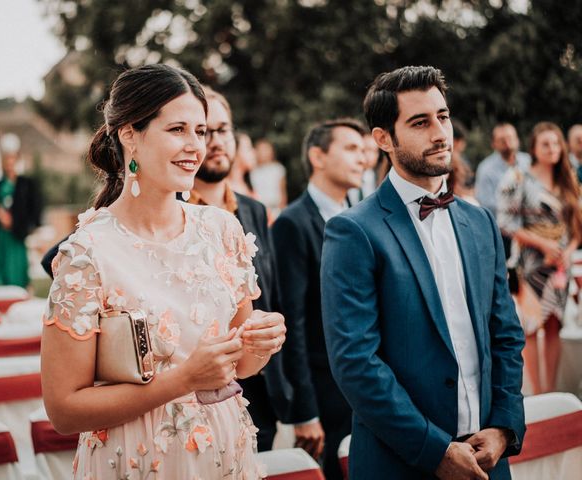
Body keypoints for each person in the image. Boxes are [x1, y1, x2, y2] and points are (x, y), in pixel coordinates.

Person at [41, 64, 286, 480]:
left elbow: (242, 365)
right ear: (130, 134)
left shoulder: (223, 229)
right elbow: (64, 410)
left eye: (201, 131)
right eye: (177, 130)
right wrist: (182, 381)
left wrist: (261, 343)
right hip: (134, 461)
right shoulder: (87, 253)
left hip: (226, 453)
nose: (195, 146)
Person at [321, 66, 525, 480]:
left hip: (489, 458)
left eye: (443, 116)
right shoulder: (353, 231)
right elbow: (356, 362)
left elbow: (505, 333)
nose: (439, 132)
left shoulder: (481, 221)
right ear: (383, 139)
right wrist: (434, 451)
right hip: (400, 463)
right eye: (420, 122)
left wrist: (505, 426)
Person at [187, 86, 294, 451]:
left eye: (223, 129)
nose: (216, 141)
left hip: (261, 395)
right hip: (195, 398)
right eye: (204, 131)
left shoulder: (253, 210)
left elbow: (273, 297)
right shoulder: (163, 213)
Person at [272, 118, 366, 480]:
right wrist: (305, 411)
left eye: (363, 151)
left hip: (365, 382)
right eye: (350, 149)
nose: (362, 159)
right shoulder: (292, 224)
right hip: (323, 388)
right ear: (318, 156)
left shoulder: (361, 218)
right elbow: (291, 321)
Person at [497, 122, 582, 394]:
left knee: (555, 324)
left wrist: (566, 253)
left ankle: (553, 389)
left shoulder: (567, 180)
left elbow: (577, 229)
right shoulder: (519, 179)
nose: (553, 149)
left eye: (556, 143)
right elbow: (506, 222)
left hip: (560, 266)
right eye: (546, 144)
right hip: (531, 264)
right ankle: (540, 392)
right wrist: (543, 244)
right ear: (533, 147)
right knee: (531, 327)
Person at [0, 150, 42, 287]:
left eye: (12, 163)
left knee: (18, 258)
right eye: (7, 163)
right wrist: (1, 216)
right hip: (2, 229)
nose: (10, 166)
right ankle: (2, 284)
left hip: (17, 227)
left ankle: (19, 284)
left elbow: (31, 204)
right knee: (1, 257)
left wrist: (25, 222)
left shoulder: (24, 183)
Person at [475, 123, 531, 218]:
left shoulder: (529, 161)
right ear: (493, 144)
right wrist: (510, 208)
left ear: (517, 140)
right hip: (502, 223)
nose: (507, 142)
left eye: (510, 138)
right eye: (502, 140)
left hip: (533, 219)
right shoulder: (485, 168)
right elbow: (486, 203)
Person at [250, 138, 287, 220]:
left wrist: (282, 211)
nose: (263, 153)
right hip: (259, 211)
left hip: (276, 210)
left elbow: (283, 193)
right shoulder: (252, 170)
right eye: (260, 150)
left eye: (266, 149)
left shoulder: (278, 169)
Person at [348, 132, 380, 205]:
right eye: (367, 149)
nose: (371, 156)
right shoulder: (344, 176)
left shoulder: (381, 178)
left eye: (375, 151)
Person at [228, 132, 257, 197]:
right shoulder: (225, 189)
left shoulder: (248, 185)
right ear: (234, 152)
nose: (254, 152)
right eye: (248, 148)